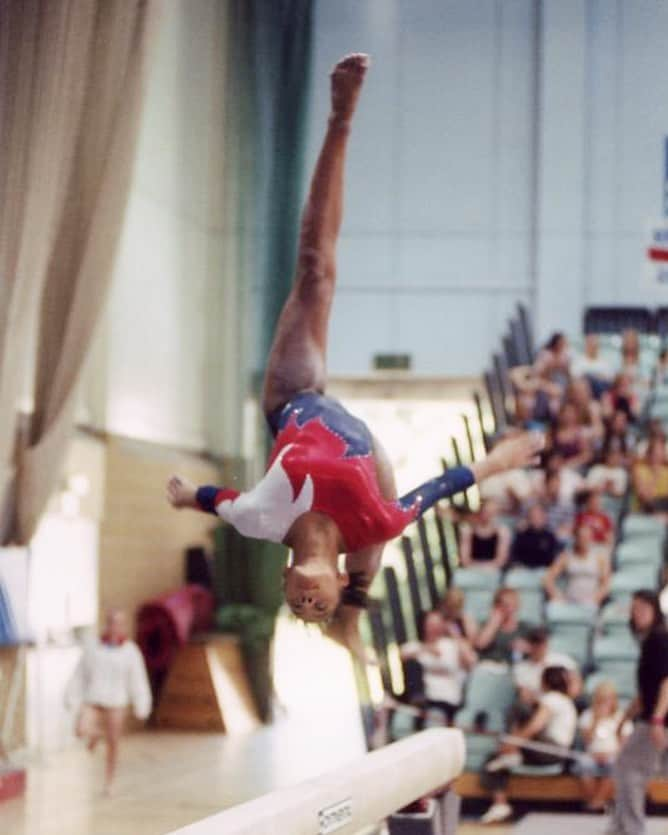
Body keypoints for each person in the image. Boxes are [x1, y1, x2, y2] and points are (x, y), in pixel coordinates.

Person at [165, 55, 542, 651]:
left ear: (287, 578)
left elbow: (216, 500)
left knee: (315, 269)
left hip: (294, 398)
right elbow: (444, 486)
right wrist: (499, 461)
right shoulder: (377, 523)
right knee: (384, 518)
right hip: (372, 463)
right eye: (321, 608)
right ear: (338, 581)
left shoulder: (261, 519)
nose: (305, 604)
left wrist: (190, 496)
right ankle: (357, 620)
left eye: (298, 605)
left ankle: (340, 118)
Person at [65, 608, 152, 795]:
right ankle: (95, 734)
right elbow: (79, 674)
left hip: (116, 702)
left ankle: (109, 781)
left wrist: (141, 704)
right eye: (112, 622)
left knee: (113, 742)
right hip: (94, 698)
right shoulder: (93, 647)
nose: (115, 627)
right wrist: (71, 697)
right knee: (80, 729)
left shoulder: (130, 651)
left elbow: (137, 679)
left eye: (119, 623)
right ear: (107, 624)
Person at [480, 666, 578, 824]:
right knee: (494, 760)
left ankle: (513, 755)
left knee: (519, 707)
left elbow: (535, 726)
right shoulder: (565, 701)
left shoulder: (552, 699)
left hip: (550, 750)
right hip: (548, 751)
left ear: (545, 682)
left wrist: (512, 743)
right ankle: (500, 804)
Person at [608, 590, 668, 835]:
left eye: (643, 608)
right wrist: (623, 719)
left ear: (655, 611)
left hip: (659, 720)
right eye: (634, 609)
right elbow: (646, 691)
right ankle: (623, 825)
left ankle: (630, 829)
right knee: (626, 766)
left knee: (630, 768)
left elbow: (666, 682)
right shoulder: (649, 643)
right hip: (651, 717)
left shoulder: (659, 640)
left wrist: (657, 720)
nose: (637, 614)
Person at [400, 609, 477, 727]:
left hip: (446, 700)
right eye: (430, 624)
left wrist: (455, 635)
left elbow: (471, 661)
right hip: (424, 698)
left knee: (434, 720)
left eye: (437, 624)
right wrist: (427, 649)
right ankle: (417, 702)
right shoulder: (416, 646)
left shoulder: (450, 645)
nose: (434, 628)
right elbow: (403, 654)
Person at [576, 681, 630, 812]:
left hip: (613, 755)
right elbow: (586, 741)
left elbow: (624, 744)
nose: (605, 702)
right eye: (601, 698)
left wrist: (611, 754)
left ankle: (595, 803)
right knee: (583, 765)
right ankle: (596, 802)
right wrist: (596, 720)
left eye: (608, 698)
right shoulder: (587, 715)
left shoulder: (621, 716)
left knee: (615, 766)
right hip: (592, 754)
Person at [543, 522, 611, 610]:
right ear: (576, 538)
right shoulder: (566, 557)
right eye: (581, 537)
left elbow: (606, 583)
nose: (584, 540)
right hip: (569, 600)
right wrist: (557, 595)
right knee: (553, 607)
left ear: (591, 538)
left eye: (587, 537)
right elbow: (547, 578)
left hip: (590, 603)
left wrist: (596, 599)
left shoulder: (600, 558)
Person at [475, 588, 528, 666]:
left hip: (516, 668)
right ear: (496, 606)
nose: (510, 609)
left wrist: (527, 648)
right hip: (490, 666)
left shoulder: (524, 627)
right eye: (505, 605)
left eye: (513, 605)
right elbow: (480, 644)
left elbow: (538, 649)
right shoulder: (487, 625)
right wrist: (493, 623)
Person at [458, 500, 511, 570]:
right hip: (472, 569)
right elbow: (464, 559)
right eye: (486, 512)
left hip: (493, 570)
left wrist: (487, 567)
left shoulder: (503, 532)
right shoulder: (468, 531)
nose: (489, 515)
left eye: (494, 513)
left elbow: (501, 560)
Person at [509, 504, 562, 570]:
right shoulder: (521, 535)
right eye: (533, 516)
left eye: (540, 516)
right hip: (523, 569)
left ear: (545, 518)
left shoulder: (550, 537)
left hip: (543, 570)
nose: (537, 519)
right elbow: (515, 555)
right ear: (529, 519)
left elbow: (553, 558)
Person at [631, 436, 668, 516]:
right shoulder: (639, 470)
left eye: (660, 452)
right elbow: (643, 496)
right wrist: (655, 476)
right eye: (654, 452)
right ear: (648, 454)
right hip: (646, 510)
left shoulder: (666, 471)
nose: (657, 455)